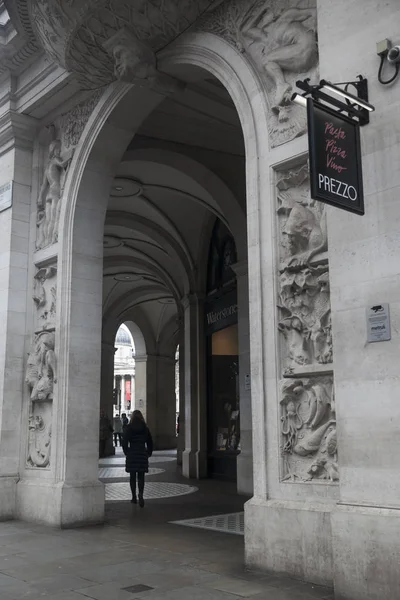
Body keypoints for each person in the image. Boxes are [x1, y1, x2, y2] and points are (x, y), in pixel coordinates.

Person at [122, 410, 153, 507]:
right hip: (142, 453)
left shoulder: (129, 428)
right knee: (141, 476)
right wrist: (148, 453)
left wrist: (127, 452)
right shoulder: (145, 428)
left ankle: (133, 497)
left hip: (132, 454)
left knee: (132, 476)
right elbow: (150, 442)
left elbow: (124, 442)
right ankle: (141, 494)